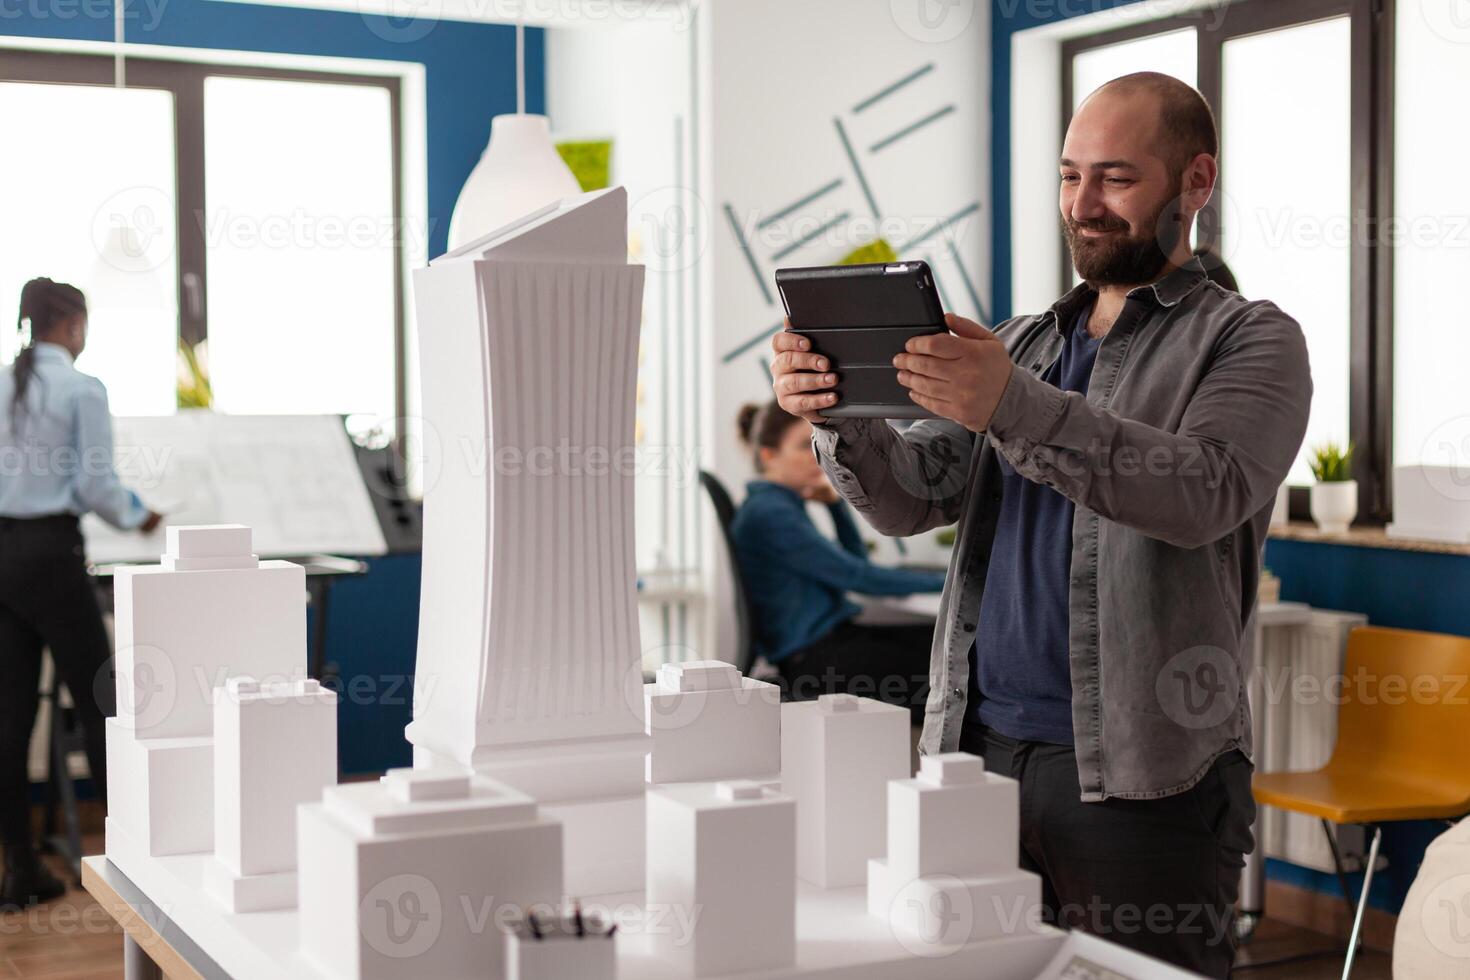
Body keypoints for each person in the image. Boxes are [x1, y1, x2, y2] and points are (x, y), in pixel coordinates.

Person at [770, 72, 1311, 977]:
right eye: (1068, 176)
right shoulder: (1019, 343)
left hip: (1144, 781)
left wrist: (1013, 407)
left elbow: (1201, 492)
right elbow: (911, 499)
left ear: (1196, 182)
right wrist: (839, 414)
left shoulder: (1252, 339)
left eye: (1115, 178)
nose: (1083, 205)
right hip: (971, 757)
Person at [0, 277, 161, 911]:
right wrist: (142, 516)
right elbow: (99, 490)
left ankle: (19, 872)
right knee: (101, 703)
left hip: (2, 558)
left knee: (10, 721)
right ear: (72, 325)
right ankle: (131, 863)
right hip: (52, 560)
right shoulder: (81, 388)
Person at [729, 400, 944, 721]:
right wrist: (951, 577)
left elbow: (855, 564)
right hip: (816, 660)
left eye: (815, 442)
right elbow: (862, 578)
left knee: (940, 644)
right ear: (768, 456)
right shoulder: (771, 513)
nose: (816, 455)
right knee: (950, 660)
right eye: (804, 446)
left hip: (824, 647)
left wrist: (835, 506)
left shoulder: (777, 505)